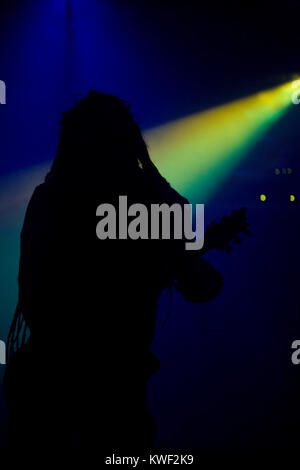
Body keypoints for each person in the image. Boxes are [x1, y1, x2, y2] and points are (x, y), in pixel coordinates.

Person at [4, 91, 223, 457]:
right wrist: (148, 168)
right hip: (102, 388)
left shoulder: (51, 198)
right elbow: (201, 283)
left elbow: (33, 298)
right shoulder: (130, 204)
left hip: (48, 381)